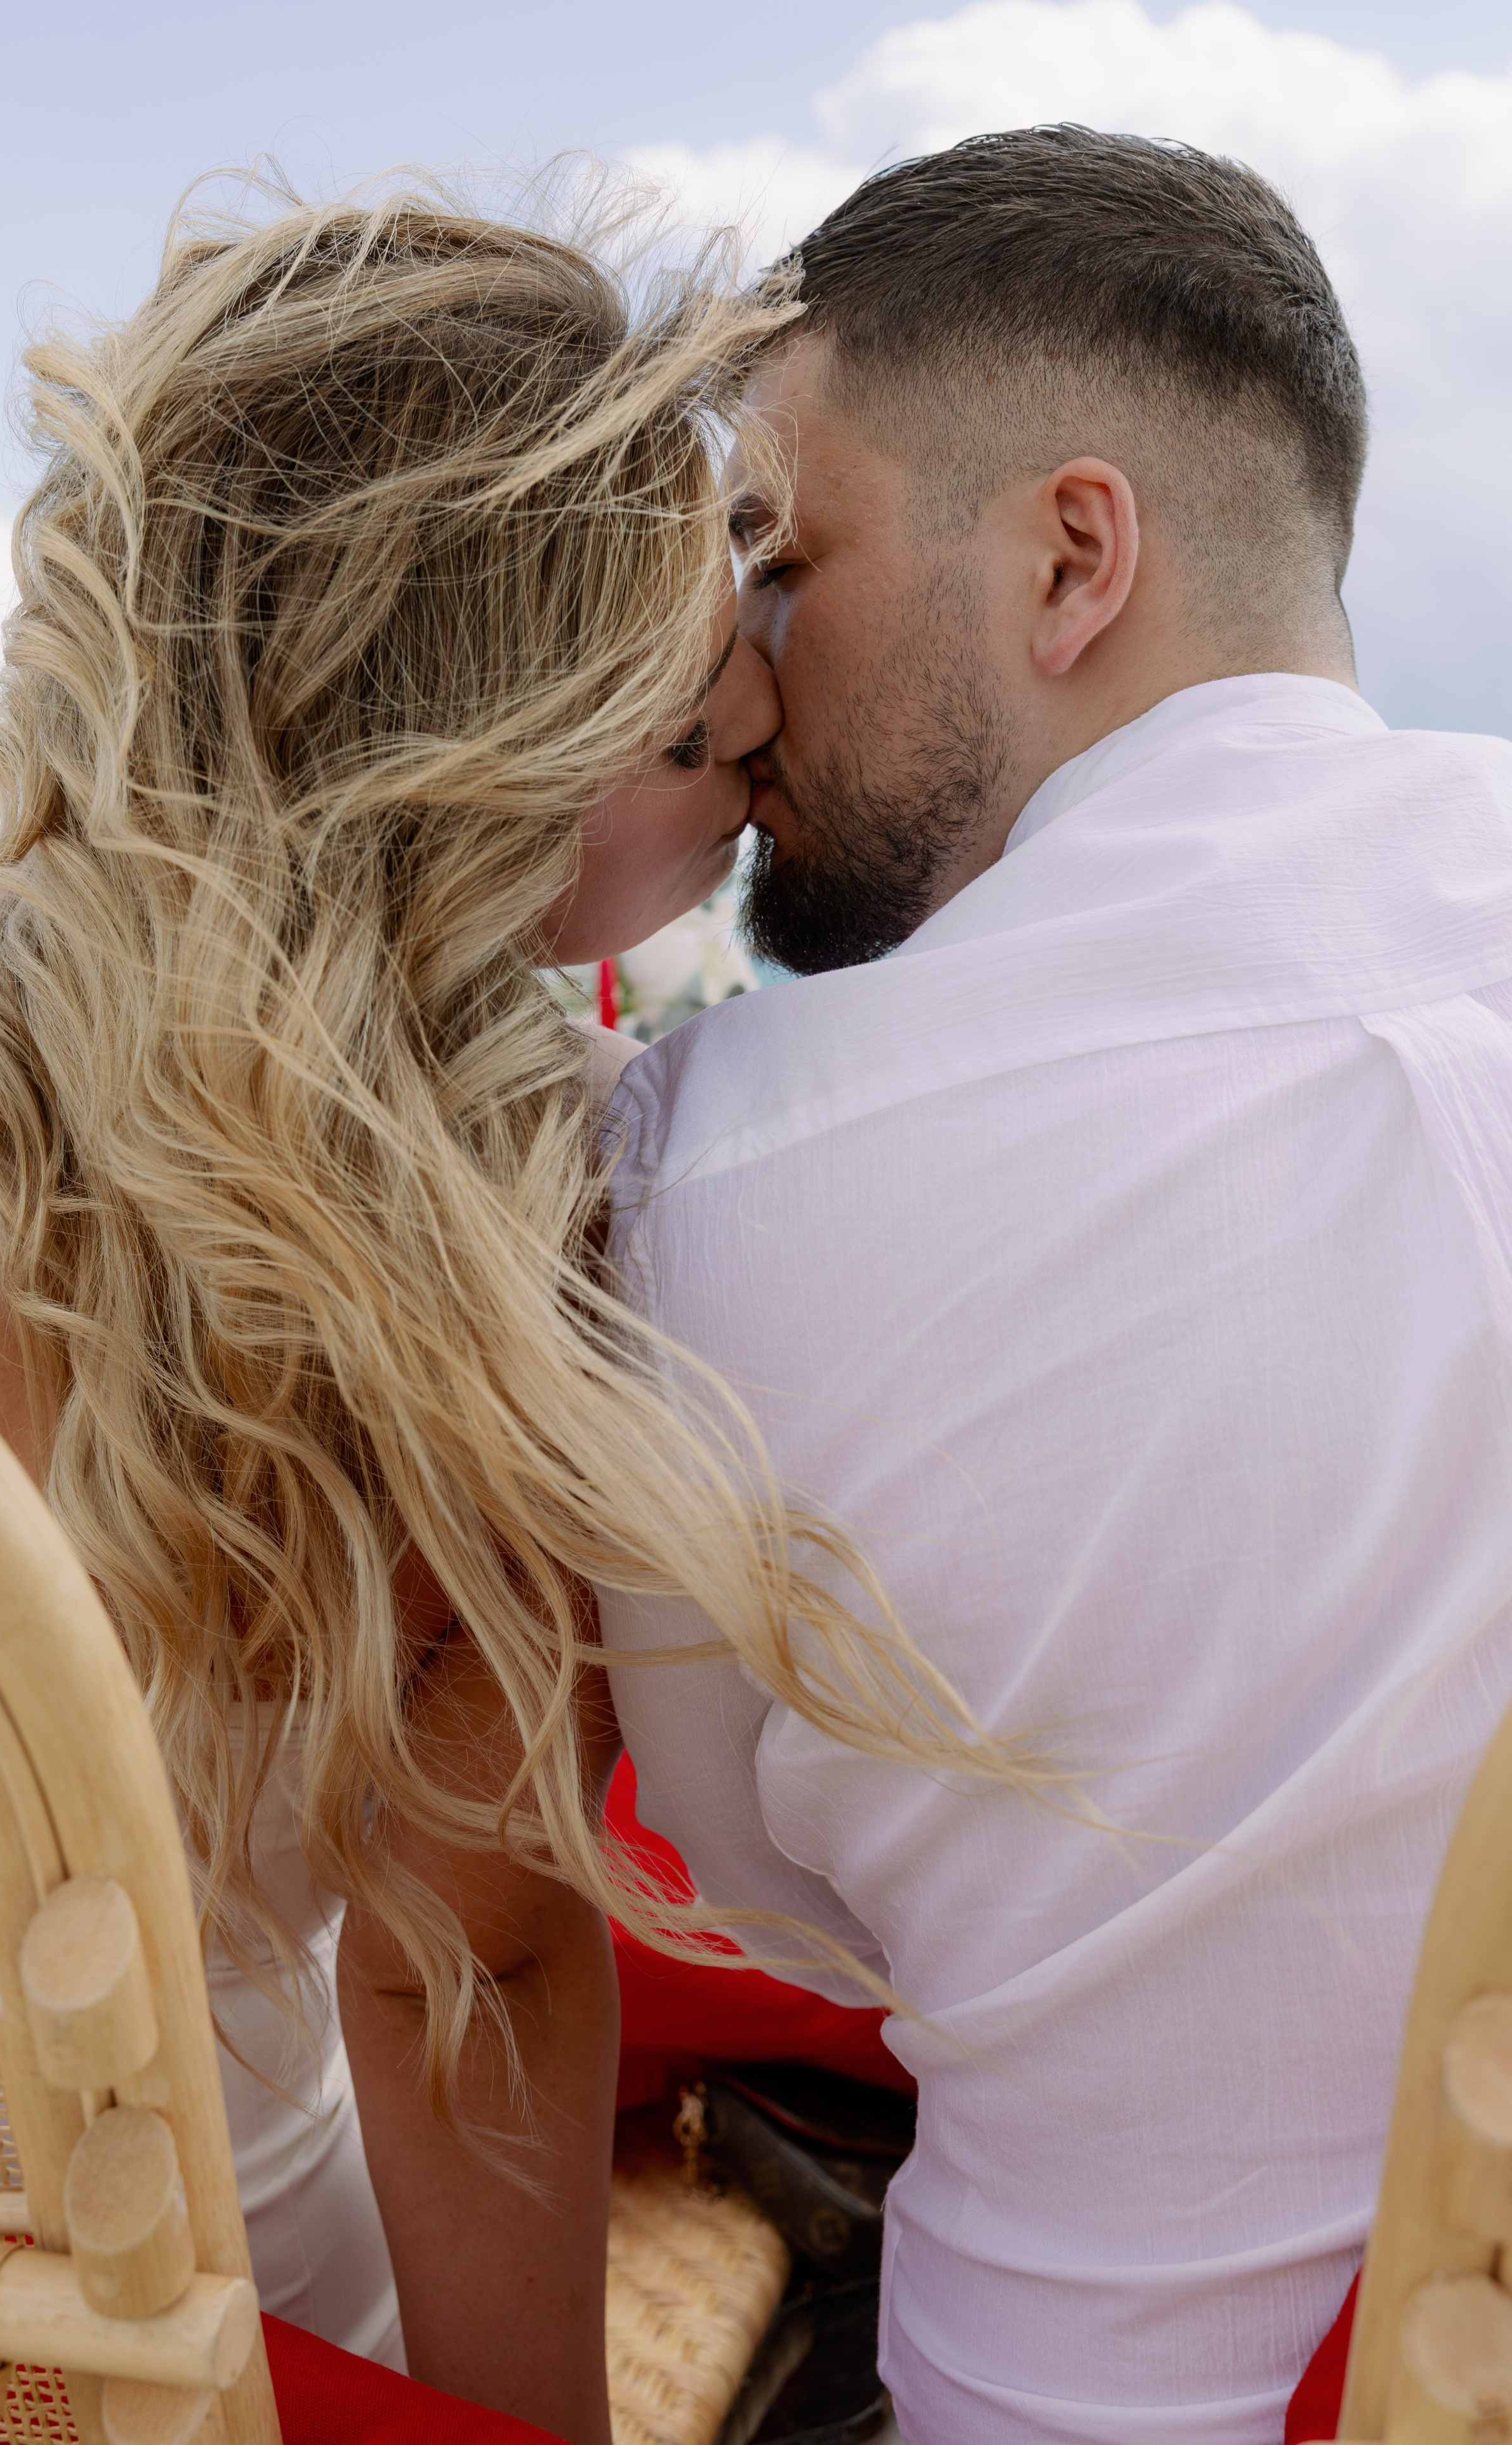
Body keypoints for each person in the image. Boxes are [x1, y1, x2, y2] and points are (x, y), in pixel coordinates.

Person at [0, 177, 1013, 2445]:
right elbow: (459, 1974)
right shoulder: (495, 1221)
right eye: (702, 739)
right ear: (476, 788)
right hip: (122, 2263)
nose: (766, 748)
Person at [597, 127, 1512, 2444]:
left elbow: (753, 1892)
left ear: (1073, 557)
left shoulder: (720, 1163)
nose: (746, 667)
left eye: (784, 556)